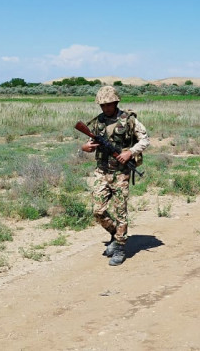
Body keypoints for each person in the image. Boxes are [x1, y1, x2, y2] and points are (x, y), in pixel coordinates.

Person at [81, 86, 150, 266]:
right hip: (102, 171)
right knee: (98, 211)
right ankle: (114, 232)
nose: (106, 108)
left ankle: (120, 246)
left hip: (121, 172)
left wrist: (130, 153)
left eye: (109, 104)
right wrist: (85, 147)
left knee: (120, 211)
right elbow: (89, 142)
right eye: (102, 105)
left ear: (116, 102)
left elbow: (145, 139)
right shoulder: (98, 122)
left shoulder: (129, 120)